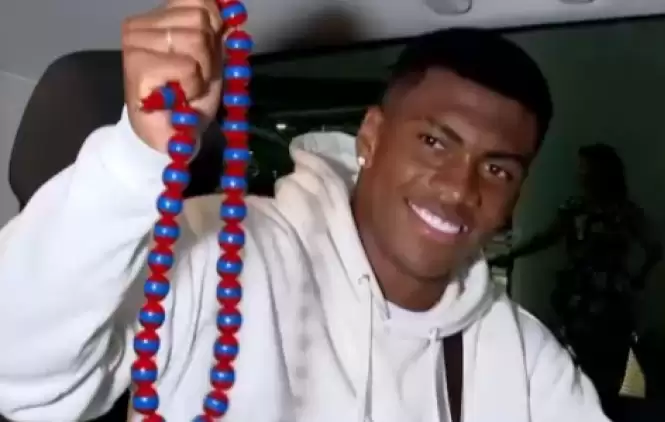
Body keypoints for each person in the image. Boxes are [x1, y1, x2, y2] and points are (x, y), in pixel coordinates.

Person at [0, 1, 609, 420]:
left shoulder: (520, 357)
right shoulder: (219, 251)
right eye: (434, 142)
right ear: (371, 137)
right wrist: (136, 159)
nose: (458, 188)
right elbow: (19, 375)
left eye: (497, 169)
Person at [493, 143, 661, 417]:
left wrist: (637, 278)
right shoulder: (578, 208)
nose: (581, 174)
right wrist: (511, 255)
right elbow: (547, 237)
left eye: (587, 168)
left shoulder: (622, 211)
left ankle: (607, 410)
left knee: (610, 362)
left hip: (608, 299)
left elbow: (654, 249)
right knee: (579, 358)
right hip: (581, 296)